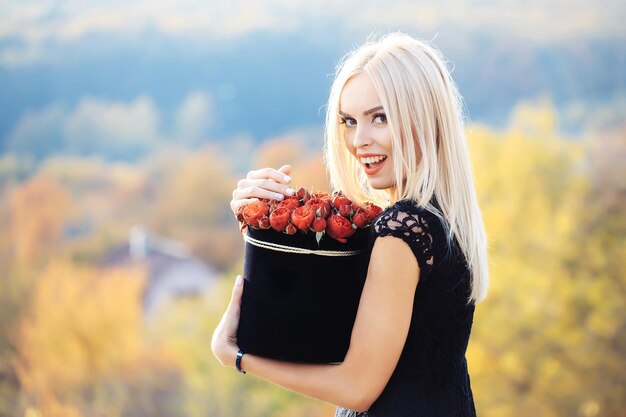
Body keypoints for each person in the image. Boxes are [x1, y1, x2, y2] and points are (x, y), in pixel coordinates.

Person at [212, 32, 489, 416]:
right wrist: (257, 222)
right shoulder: (439, 222)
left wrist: (236, 356)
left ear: (425, 118)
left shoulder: (401, 230)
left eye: (380, 118)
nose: (359, 140)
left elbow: (356, 387)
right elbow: (321, 322)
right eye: (348, 121)